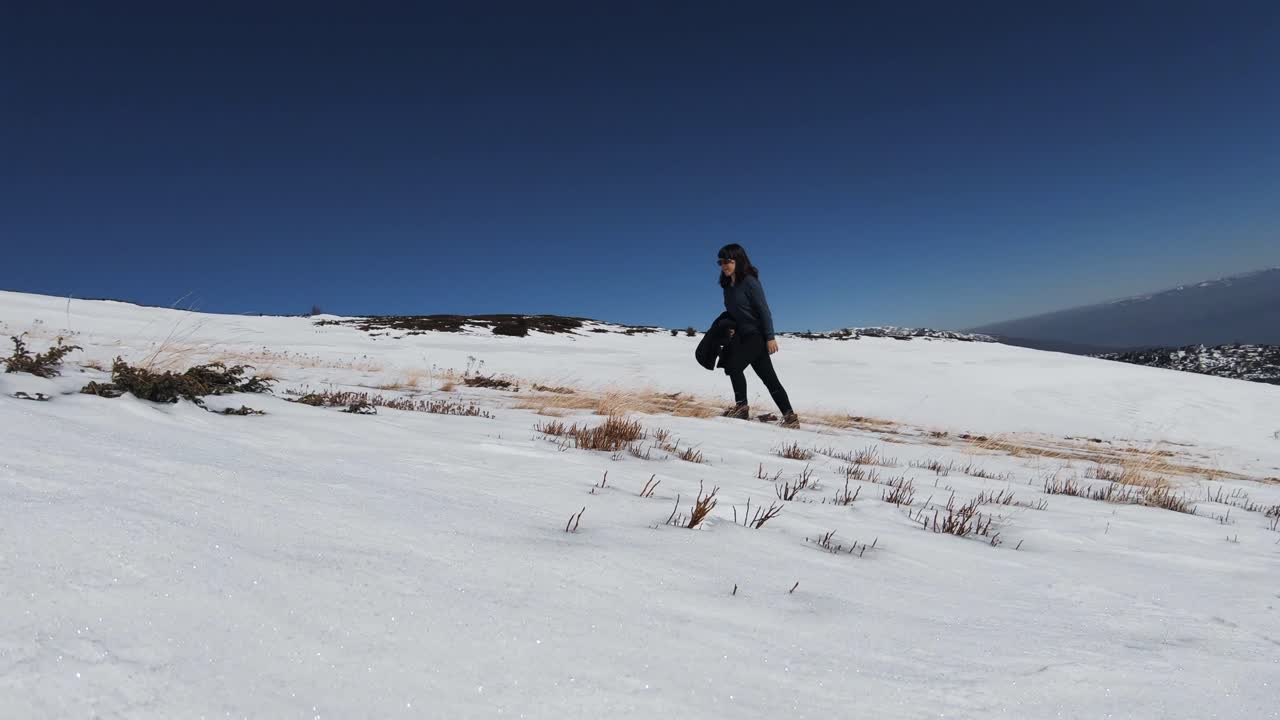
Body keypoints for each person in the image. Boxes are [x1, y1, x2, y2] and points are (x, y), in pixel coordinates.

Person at [715, 244, 799, 428]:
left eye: (727, 261)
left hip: (756, 335)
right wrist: (731, 327)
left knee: (734, 366)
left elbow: (764, 310)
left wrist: (770, 337)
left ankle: (742, 409)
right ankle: (790, 418)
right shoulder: (727, 287)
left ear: (738, 260)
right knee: (769, 379)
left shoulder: (750, 282)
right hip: (742, 336)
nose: (723, 265)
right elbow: (734, 313)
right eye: (720, 262)